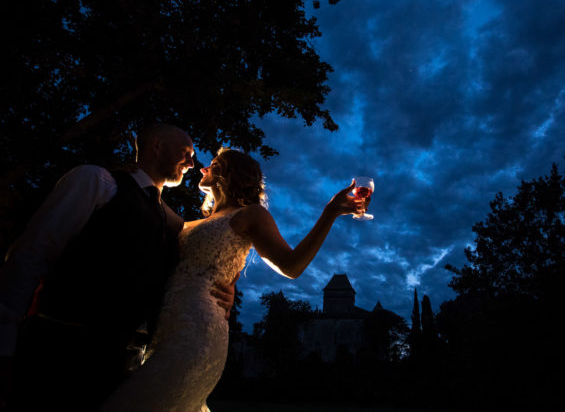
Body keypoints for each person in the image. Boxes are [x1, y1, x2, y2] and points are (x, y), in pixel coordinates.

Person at [99, 148, 368, 412]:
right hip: (159, 334)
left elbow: (292, 266)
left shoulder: (250, 214)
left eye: (213, 164)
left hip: (197, 335)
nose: (202, 168)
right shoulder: (187, 224)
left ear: (228, 173)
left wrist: (330, 211)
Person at [0, 124, 235, 412]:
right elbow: (33, 252)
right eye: (186, 153)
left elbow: (180, 278)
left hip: (122, 362)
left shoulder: (175, 223)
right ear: (157, 146)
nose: (191, 163)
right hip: (58, 348)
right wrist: (5, 335)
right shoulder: (97, 181)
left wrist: (223, 289)